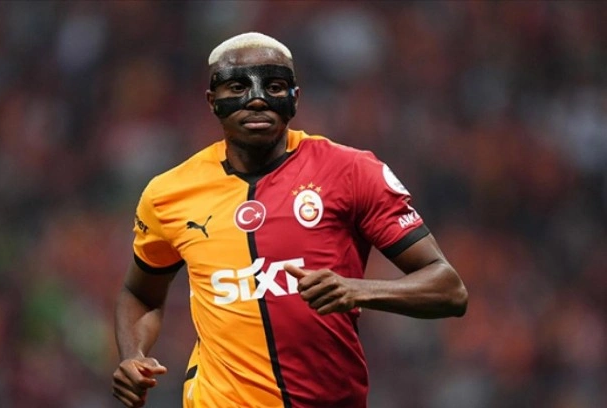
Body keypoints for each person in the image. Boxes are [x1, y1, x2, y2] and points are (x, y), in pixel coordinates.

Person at [111, 32, 468, 408]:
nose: (257, 99)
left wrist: (357, 290)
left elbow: (449, 289)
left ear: (295, 98)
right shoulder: (169, 193)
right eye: (238, 87)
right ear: (212, 101)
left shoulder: (351, 171)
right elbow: (140, 294)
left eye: (274, 86)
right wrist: (132, 355)